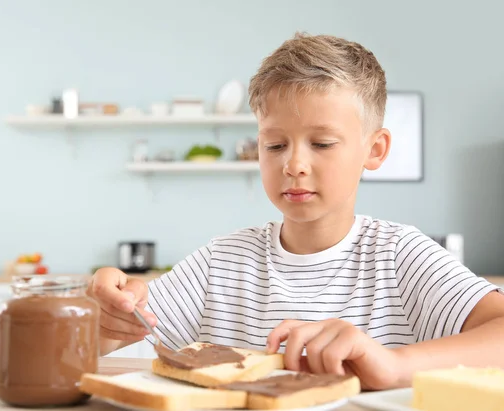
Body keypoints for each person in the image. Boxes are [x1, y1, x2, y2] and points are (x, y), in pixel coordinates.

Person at [89, 32, 504, 391]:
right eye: (274, 145)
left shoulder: (399, 255)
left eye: (321, 143)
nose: (294, 165)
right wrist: (102, 319)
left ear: (374, 150)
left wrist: (394, 365)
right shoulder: (221, 262)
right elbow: (102, 339)